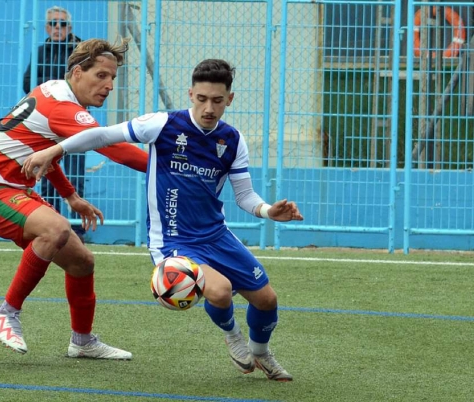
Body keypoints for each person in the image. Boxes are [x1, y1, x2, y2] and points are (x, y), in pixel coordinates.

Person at [22, 59, 304, 381]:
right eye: (201, 99)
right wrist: (54, 151)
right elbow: (101, 136)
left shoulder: (233, 140)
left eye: (217, 100)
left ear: (230, 99)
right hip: (173, 240)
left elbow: (245, 196)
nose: (208, 108)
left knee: (267, 299)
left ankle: (261, 352)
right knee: (221, 291)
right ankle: (233, 335)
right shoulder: (163, 124)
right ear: (190, 95)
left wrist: (269, 211)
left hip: (216, 235)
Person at [0, 37, 148, 359]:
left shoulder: (53, 90)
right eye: (101, 76)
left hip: (10, 189)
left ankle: (82, 342)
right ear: (76, 72)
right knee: (55, 229)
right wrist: (168, 169)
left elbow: (43, 152)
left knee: (82, 262)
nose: (109, 85)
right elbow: (109, 145)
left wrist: (71, 197)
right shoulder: (63, 106)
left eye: (113, 78)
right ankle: (7, 311)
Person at [23, 5, 86, 241]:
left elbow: (81, 82)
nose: (57, 28)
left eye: (62, 24)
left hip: (74, 119)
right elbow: (29, 81)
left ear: (69, 27)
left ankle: (77, 227)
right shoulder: (41, 51)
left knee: (76, 172)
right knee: (48, 171)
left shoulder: (79, 50)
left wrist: (50, 84)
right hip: (47, 123)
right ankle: (50, 221)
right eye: (52, 24)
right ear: (46, 27)